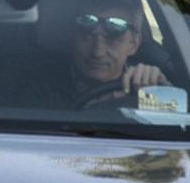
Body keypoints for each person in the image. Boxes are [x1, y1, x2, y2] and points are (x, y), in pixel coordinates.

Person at [31, 9, 171, 109]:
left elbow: (182, 129)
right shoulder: (40, 84)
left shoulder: (148, 85)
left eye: (112, 40)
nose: (97, 52)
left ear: (133, 45)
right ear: (73, 39)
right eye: (87, 37)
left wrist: (163, 94)